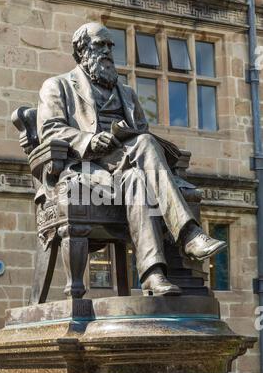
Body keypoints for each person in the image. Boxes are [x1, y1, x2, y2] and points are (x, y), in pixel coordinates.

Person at [37, 22, 226, 296]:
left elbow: (139, 131)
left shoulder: (127, 92)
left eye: (110, 45)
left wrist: (125, 135)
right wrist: (88, 140)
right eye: (100, 44)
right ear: (81, 49)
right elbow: (50, 129)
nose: (108, 50)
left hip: (127, 165)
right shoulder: (57, 86)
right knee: (145, 147)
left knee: (138, 174)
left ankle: (152, 274)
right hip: (88, 169)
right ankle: (188, 234)